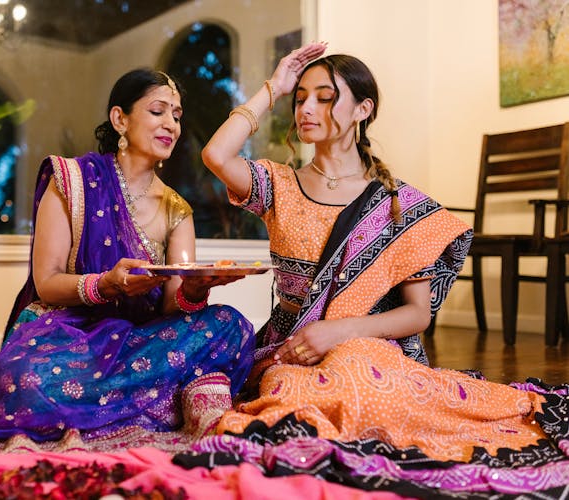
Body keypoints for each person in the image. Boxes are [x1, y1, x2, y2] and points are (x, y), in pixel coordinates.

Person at [185, 43, 569, 497]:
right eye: (300, 97)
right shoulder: (279, 185)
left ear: (363, 109)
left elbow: (416, 314)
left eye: (325, 97)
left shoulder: (398, 205)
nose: (307, 107)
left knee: (356, 373)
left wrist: (337, 332)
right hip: (292, 348)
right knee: (294, 400)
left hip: (370, 346)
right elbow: (215, 155)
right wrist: (273, 87)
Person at [0, 69, 255, 449]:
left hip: (140, 340)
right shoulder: (72, 180)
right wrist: (106, 283)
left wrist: (195, 287)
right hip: (68, 333)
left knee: (229, 325)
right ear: (120, 118)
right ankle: (159, 400)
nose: (172, 125)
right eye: (158, 111)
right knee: (26, 377)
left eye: (177, 115)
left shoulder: (176, 208)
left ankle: (109, 401)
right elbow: (47, 281)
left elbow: (172, 305)